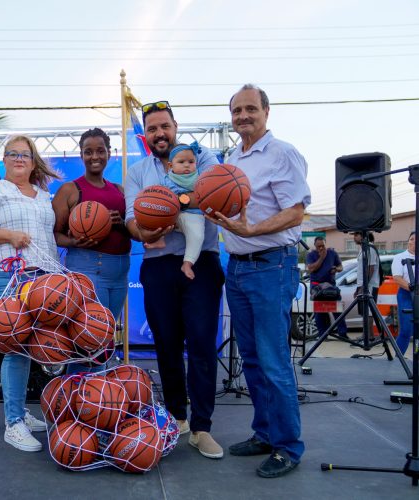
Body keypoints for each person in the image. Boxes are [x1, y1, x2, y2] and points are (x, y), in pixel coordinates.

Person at [211, 84, 310, 478]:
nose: (243, 117)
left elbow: (295, 213)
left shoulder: (282, 153)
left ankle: (288, 446)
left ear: (267, 111)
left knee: (273, 361)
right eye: (237, 111)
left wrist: (252, 233)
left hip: (271, 265)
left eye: (251, 109)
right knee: (251, 359)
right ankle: (265, 433)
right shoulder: (234, 158)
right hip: (238, 267)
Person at [123, 100, 224, 460]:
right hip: (158, 263)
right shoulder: (137, 171)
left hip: (202, 263)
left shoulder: (204, 158)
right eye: (152, 129)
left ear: (175, 126)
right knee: (166, 345)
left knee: (200, 343)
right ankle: (178, 417)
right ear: (145, 134)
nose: (159, 133)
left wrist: (171, 202)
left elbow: (215, 196)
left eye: (164, 126)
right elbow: (133, 222)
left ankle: (202, 428)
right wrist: (148, 228)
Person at [0, 134, 60, 452]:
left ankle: (20, 412)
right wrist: (9, 235)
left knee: (31, 348)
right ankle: (13, 424)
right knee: (14, 346)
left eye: (25, 154)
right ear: (4, 160)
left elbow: (48, 240)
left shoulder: (44, 196)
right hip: (5, 275)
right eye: (12, 153)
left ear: (33, 162)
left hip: (42, 278)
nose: (19, 158)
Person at [52, 127, 131, 373]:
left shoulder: (119, 190)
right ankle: (79, 400)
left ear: (110, 153)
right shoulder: (71, 190)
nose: (94, 156)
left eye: (100, 150)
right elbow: (55, 234)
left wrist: (121, 223)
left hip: (119, 270)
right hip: (88, 266)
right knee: (88, 336)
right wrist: (75, 242)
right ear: (81, 155)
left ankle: (98, 399)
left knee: (105, 338)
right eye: (88, 152)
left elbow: (134, 228)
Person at [164, 142, 206, 279]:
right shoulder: (167, 178)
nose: (187, 165)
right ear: (170, 166)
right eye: (181, 162)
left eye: (191, 161)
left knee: (197, 236)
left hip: (194, 216)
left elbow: (204, 195)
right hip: (174, 216)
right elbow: (166, 196)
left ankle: (187, 263)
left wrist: (178, 200)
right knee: (154, 212)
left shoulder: (201, 177)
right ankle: (157, 240)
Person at [305, 236, 346, 337]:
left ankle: (342, 333)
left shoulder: (332, 253)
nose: (321, 248)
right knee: (319, 312)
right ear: (315, 246)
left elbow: (341, 267)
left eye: (323, 246)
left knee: (337, 309)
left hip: (330, 286)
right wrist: (322, 258)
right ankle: (322, 334)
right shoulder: (311, 255)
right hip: (317, 287)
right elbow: (311, 269)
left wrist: (336, 269)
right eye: (319, 246)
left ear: (325, 244)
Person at [391, 232, 415, 355]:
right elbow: (397, 278)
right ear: (408, 241)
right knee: (406, 330)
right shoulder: (399, 257)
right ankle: (398, 360)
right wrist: (414, 290)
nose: (414, 241)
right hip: (406, 295)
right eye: (412, 239)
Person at [354, 231, 380, 312]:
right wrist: (358, 288)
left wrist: (363, 287)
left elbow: (370, 269)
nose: (354, 237)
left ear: (363, 236)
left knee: (369, 313)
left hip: (369, 286)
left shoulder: (370, 249)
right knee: (363, 312)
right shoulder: (363, 248)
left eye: (356, 235)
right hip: (363, 285)